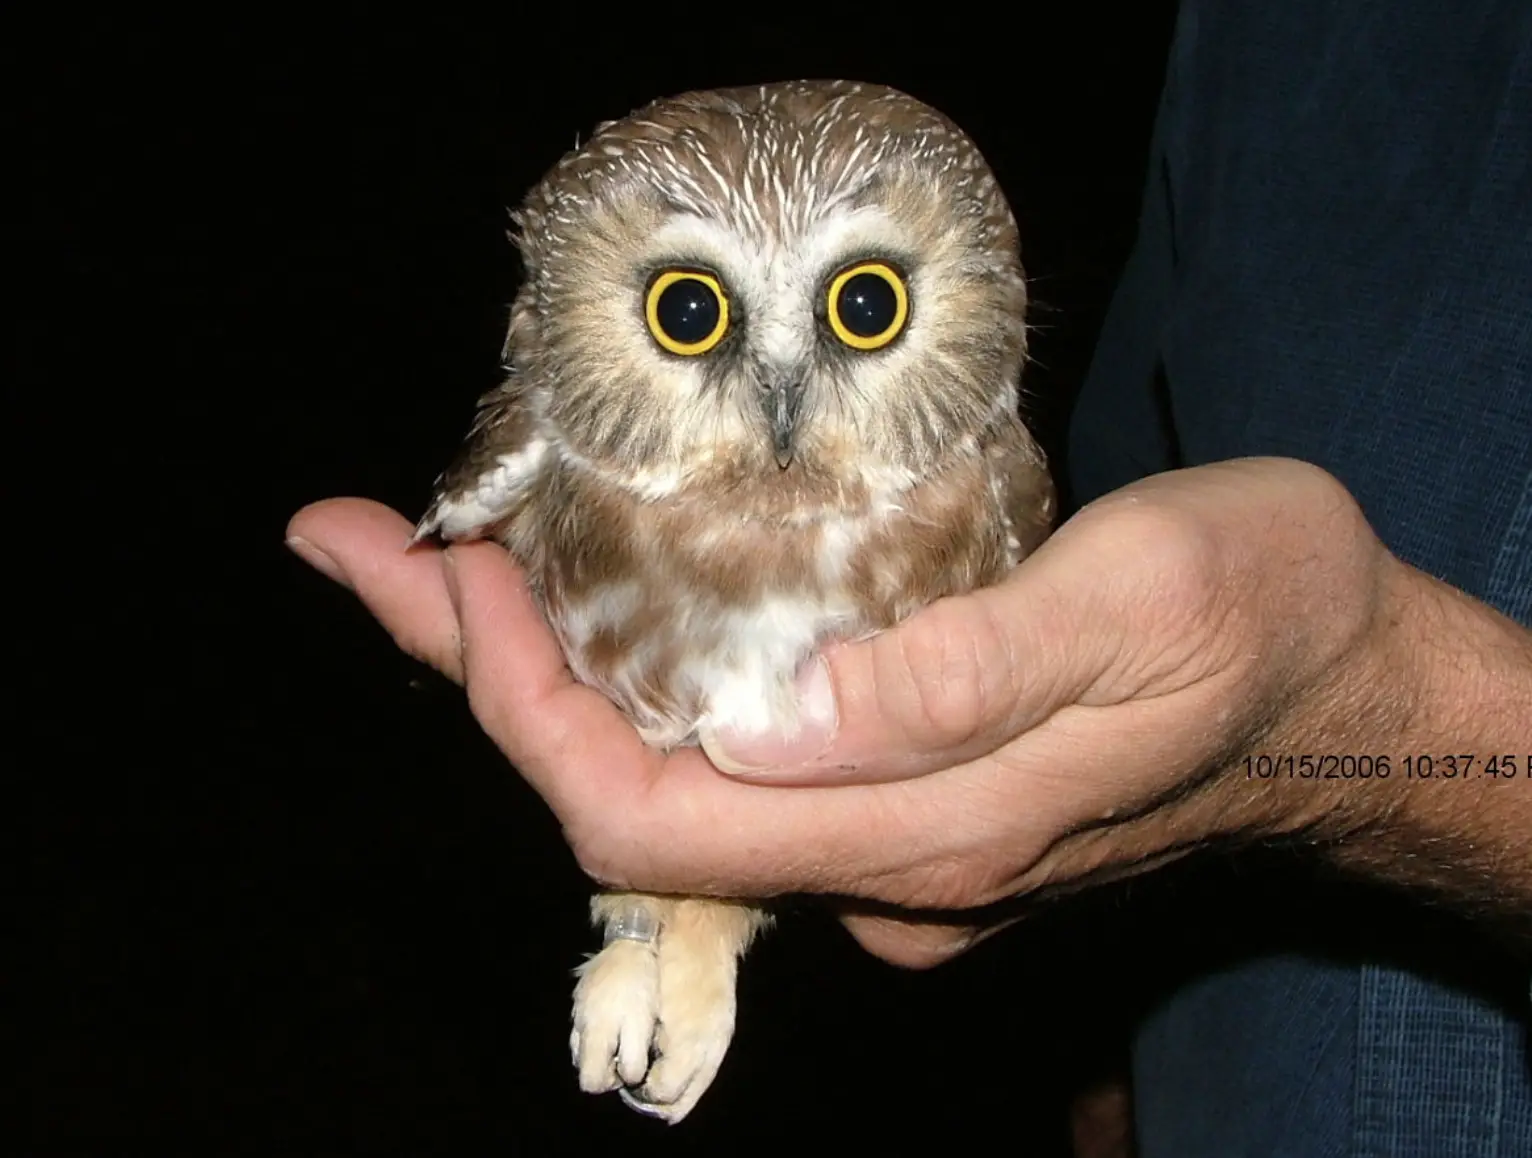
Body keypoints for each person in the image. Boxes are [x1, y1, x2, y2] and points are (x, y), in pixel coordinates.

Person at [286, 1, 1531, 1151]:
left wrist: (1368, 734)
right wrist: (1103, 1070)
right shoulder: (1265, 38)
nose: (780, 390)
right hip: (1214, 1085)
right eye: (685, 312)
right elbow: (1145, 454)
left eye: (865, 304)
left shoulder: (982, 493)